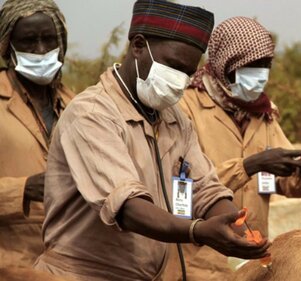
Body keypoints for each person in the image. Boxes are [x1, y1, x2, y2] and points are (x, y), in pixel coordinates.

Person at [33, 2, 269, 281]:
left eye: (188, 73)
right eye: (173, 66)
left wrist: (238, 227)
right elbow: (128, 207)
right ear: (138, 45)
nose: (180, 81)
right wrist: (197, 231)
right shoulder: (92, 114)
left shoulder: (174, 119)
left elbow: (204, 189)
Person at [162, 17, 301, 281]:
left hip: (252, 260)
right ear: (224, 64)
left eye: (265, 66)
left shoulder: (263, 114)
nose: (260, 75)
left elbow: (289, 185)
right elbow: (179, 187)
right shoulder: (184, 107)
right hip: (197, 263)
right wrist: (251, 165)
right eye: (250, 66)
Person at [0, 0, 74, 268]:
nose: (41, 50)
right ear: (8, 46)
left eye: (49, 40)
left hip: (69, 263)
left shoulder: (75, 105)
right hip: (11, 262)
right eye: (29, 41)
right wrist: (22, 189)